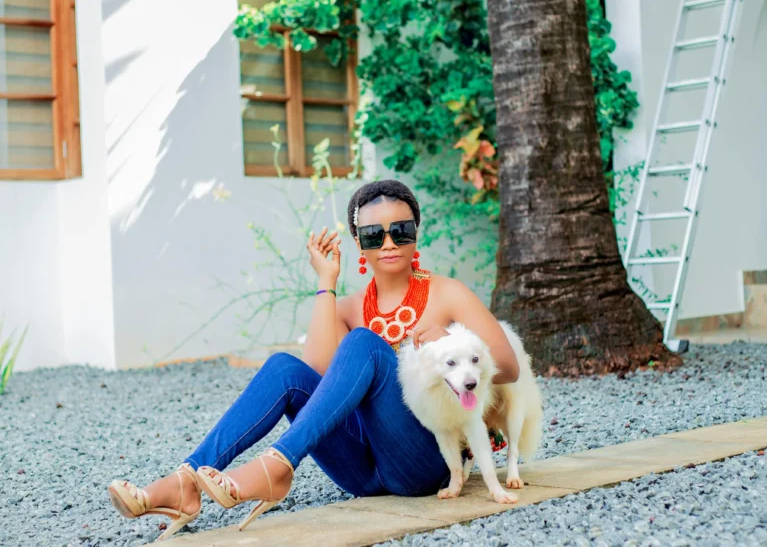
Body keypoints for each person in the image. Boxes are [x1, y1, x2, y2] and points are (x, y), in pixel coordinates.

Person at [108, 180, 521, 540]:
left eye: (401, 231)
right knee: (283, 369)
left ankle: (278, 466)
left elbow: (508, 365)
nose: (389, 243)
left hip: (424, 462)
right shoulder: (348, 307)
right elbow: (318, 382)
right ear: (359, 243)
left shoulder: (448, 293)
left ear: (416, 234)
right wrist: (326, 281)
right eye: (375, 235)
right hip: (361, 471)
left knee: (364, 344)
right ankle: (186, 480)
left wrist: (449, 342)